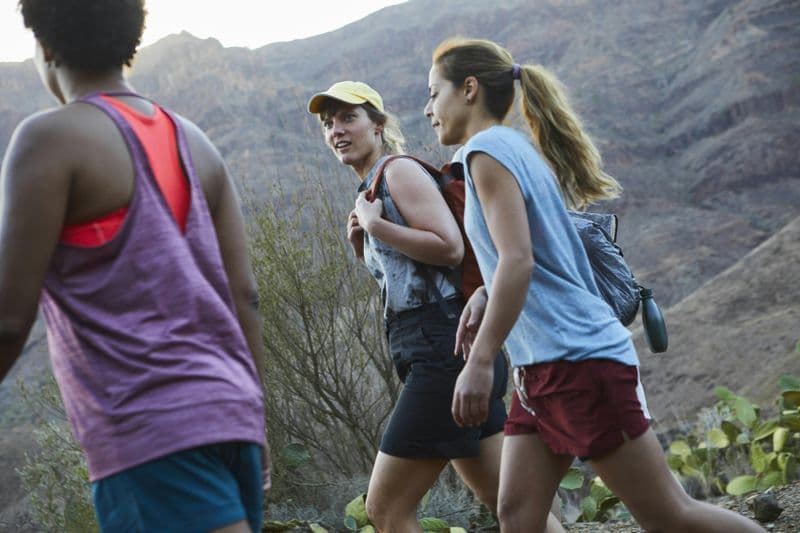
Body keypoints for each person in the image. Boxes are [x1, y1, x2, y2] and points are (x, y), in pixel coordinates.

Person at [423, 37, 767, 533]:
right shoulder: (513, 148)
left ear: (469, 89)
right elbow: (535, 258)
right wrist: (482, 293)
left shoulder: (484, 153)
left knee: (669, 515)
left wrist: (480, 363)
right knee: (518, 515)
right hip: (541, 369)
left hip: (577, 363)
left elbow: (518, 262)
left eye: (434, 93)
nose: (429, 108)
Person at [0, 1, 269, 531]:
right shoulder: (197, 142)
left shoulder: (49, 140)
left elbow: (8, 319)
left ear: (45, 46)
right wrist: (254, 420)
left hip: (152, 431)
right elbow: (246, 297)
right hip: (233, 414)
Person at [307, 81, 564, 533]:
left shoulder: (398, 171)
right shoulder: (370, 191)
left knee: (386, 510)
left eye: (349, 118)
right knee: (511, 505)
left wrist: (377, 228)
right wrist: (360, 244)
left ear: (379, 125)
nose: (337, 131)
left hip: (443, 350)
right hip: (443, 346)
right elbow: (410, 281)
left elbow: (448, 248)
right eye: (329, 124)